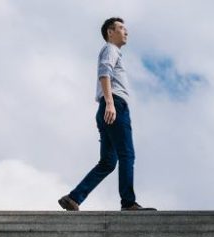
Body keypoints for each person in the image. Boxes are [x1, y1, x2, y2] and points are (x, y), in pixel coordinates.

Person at [58, 17, 156, 211]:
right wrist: (110, 103)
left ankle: (73, 198)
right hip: (114, 106)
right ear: (110, 32)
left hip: (107, 108)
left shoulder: (113, 51)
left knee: (108, 162)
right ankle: (128, 203)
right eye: (121, 28)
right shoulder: (111, 49)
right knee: (127, 154)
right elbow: (105, 73)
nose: (126, 32)